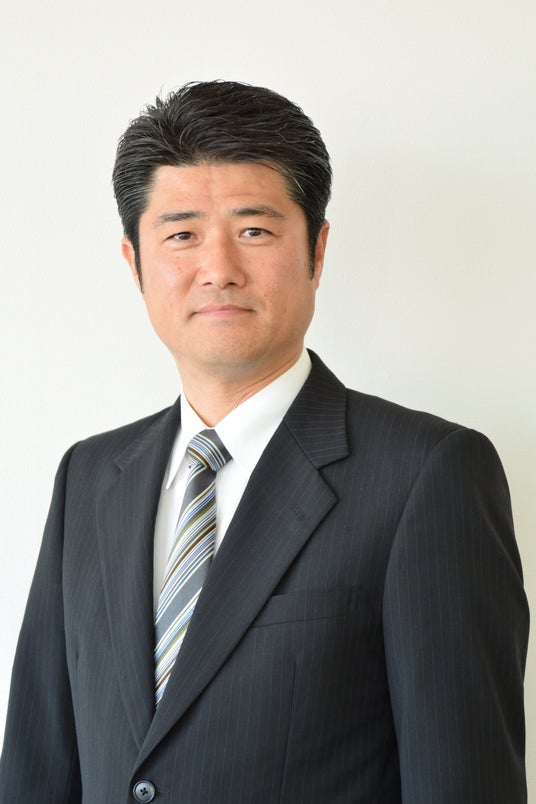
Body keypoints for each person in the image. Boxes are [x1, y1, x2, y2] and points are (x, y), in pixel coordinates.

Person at [0, 80, 529, 803]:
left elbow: (463, 782)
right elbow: (37, 766)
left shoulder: (427, 476)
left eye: (254, 230)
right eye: (181, 234)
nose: (218, 269)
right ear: (134, 263)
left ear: (317, 249)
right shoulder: (89, 477)